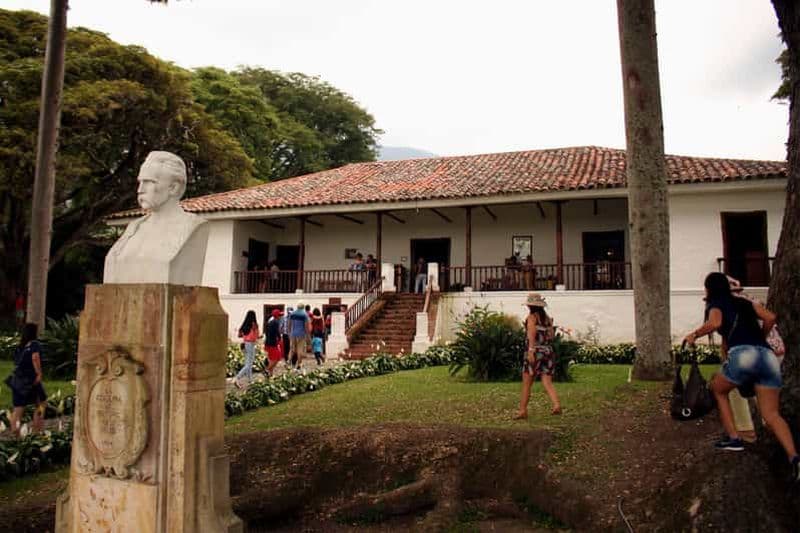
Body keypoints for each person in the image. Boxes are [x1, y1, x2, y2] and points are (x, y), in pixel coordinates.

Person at [683, 272, 799, 481]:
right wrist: (761, 337)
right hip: (768, 357)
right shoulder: (745, 302)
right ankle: (794, 457)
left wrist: (694, 334)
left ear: (709, 289)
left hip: (744, 355)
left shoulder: (716, 303)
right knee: (771, 415)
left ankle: (734, 438)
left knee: (718, 389)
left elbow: (716, 323)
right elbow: (771, 317)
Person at [104, 151, 209, 285]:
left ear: (173, 188)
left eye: (149, 182)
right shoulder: (134, 226)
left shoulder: (193, 226)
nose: (140, 189)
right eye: (140, 182)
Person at [515, 293, 561, 419]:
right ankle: (556, 404)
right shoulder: (547, 318)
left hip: (536, 351)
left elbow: (531, 334)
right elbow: (551, 335)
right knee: (547, 381)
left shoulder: (531, 318)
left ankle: (522, 410)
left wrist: (531, 351)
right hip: (548, 352)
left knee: (527, 383)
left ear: (530, 305)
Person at [7, 323, 47, 436]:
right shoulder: (34, 344)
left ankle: (16, 435)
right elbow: (35, 358)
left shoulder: (21, 346)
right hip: (31, 380)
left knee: (18, 409)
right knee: (41, 403)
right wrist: (39, 373)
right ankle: (36, 431)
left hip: (18, 381)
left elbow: (16, 363)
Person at [234, 310, 259, 388]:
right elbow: (256, 336)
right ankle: (237, 378)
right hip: (251, 344)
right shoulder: (254, 325)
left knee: (248, 363)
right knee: (249, 364)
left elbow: (239, 335)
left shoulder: (244, 325)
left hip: (245, 344)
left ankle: (250, 380)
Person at [289, 303, 311, 369]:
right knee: (300, 350)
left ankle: (288, 361)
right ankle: (299, 363)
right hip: (301, 334)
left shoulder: (292, 314)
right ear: (303, 307)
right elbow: (306, 326)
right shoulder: (304, 315)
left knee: (292, 349)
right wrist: (308, 336)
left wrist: (289, 332)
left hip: (293, 334)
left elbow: (289, 324)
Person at [264, 309, 284, 377]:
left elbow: (266, 332)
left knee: (271, 358)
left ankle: (270, 373)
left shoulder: (270, 322)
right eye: (279, 315)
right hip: (273, 343)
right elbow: (277, 332)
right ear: (277, 316)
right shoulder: (276, 322)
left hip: (267, 342)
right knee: (277, 358)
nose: (280, 317)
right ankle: (267, 370)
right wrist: (280, 339)